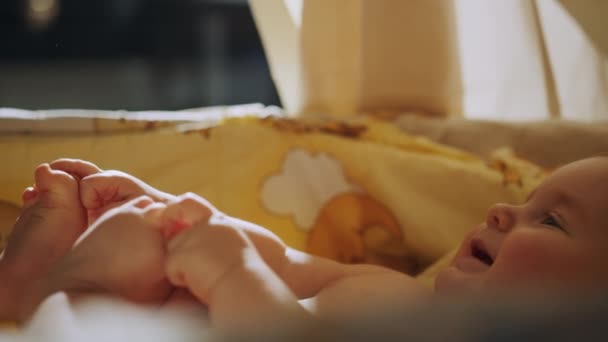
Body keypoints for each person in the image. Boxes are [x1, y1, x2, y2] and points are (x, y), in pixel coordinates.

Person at [1, 156, 608, 331]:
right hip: (157, 318)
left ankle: (45, 293)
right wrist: (173, 215)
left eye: (550, 222)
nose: (504, 210)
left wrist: (236, 280)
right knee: (138, 244)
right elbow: (281, 261)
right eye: (528, 200)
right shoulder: (394, 292)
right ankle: (40, 294)